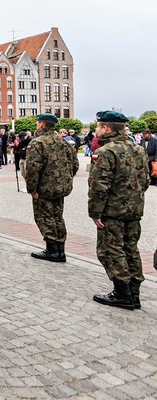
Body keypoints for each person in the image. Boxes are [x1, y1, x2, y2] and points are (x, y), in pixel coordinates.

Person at [89, 111, 150, 310]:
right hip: (134, 210)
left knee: (110, 249)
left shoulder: (107, 151)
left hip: (113, 211)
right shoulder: (138, 149)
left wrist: (95, 213)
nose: (96, 130)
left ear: (106, 128)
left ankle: (122, 293)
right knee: (131, 248)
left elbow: (100, 186)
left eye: (98, 126)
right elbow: (146, 181)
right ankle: (134, 293)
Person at [24, 114, 79, 262]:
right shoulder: (64, 142)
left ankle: (52, 250)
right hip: (60, 188)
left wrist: (32, 189)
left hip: (44, 188)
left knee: (45, 217)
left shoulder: (38, 142)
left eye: (38, 123)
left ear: (41, 125)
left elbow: (32, 169)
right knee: (58, 217)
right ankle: (61, 251)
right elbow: (75, 164)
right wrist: (64, 180)